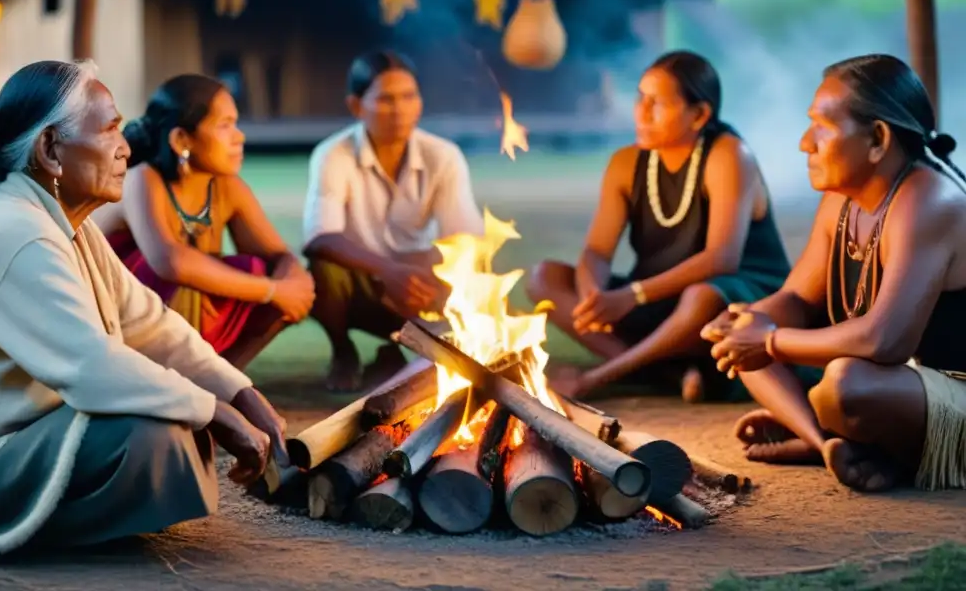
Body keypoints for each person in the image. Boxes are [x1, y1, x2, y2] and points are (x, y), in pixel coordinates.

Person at [0, 60, 287, 556]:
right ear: (51, 150)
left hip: (24, 440)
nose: (126, 148)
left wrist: (240, 393)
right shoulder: (16, 230)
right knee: (152, 434)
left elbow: (151, 324)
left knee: (170, 419)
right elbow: (92, 367)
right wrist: (214, 412)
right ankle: (49, 531)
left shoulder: (60, 222)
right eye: (109, 130)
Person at [702, 54, 966, 493]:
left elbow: (885, 341)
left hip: (949, 391)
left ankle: (853, 435)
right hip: (899, 385)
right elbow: (798, 300)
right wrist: (750, 323)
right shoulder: (841, 202)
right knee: (749, 339)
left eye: (821, 126)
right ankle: (824, 441)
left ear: (877, 138)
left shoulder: (928, 201)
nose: (806, 143)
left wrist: (768, 340)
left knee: (846, 385)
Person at [531, 51, 792, 403]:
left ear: (699, 115)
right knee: (545, 278)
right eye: (640, 97)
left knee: (701, 296)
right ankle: (669, 373)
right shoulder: (626, 163)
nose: (640, 111)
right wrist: (593, 293)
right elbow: (597, 250)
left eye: (657, 103)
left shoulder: (729, 156)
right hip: (659, 297)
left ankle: (601, 377)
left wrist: (632, 295)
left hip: (731, 302)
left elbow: (721, 260)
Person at [96, 74, 315, 370]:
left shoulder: (227, 186)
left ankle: (225, 378)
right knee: (201, 275)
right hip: (118, 324)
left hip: (176, 323)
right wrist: (272, 290)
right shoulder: (142, 179)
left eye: (235, 124)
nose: (239, 136)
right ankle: (164, 378)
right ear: (181, 140)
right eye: (224, 125)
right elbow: (169, 262)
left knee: (268, 272)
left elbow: (278, 255)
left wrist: (293, 280)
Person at [303, 49, 485, 392]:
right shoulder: (333, 154)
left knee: (463, 274)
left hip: (419, 281)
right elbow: (320, 238)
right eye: (386, 99)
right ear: (357, 106)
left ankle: (398, 355)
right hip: (358, 281)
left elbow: (464, 238)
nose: (400, 109)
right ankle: (343, 351)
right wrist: (387, 270)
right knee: (321, 270)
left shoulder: (443, 156)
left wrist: (416, 271)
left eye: (409, 96)